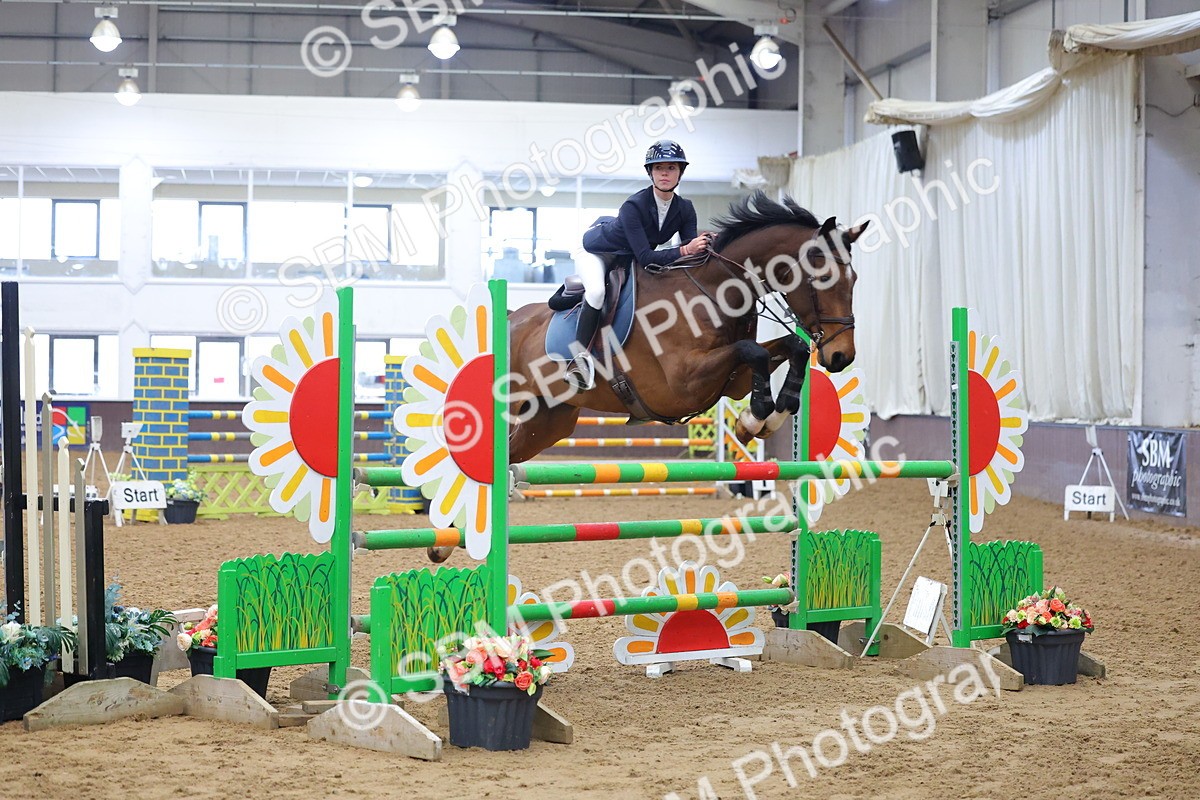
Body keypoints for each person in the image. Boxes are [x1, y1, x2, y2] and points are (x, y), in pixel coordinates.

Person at [565, 140, 713, 389]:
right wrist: (686, 249)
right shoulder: (634, 205)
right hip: (597, 251)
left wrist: (706, 243)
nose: (664, 173)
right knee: (597, 291)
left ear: (680, 172)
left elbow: (688, 252)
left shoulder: (685, 208)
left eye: (671, 167)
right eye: (658, 168)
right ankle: (580, 360)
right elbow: (646, 256)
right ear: (650, 173)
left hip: (627, 256)